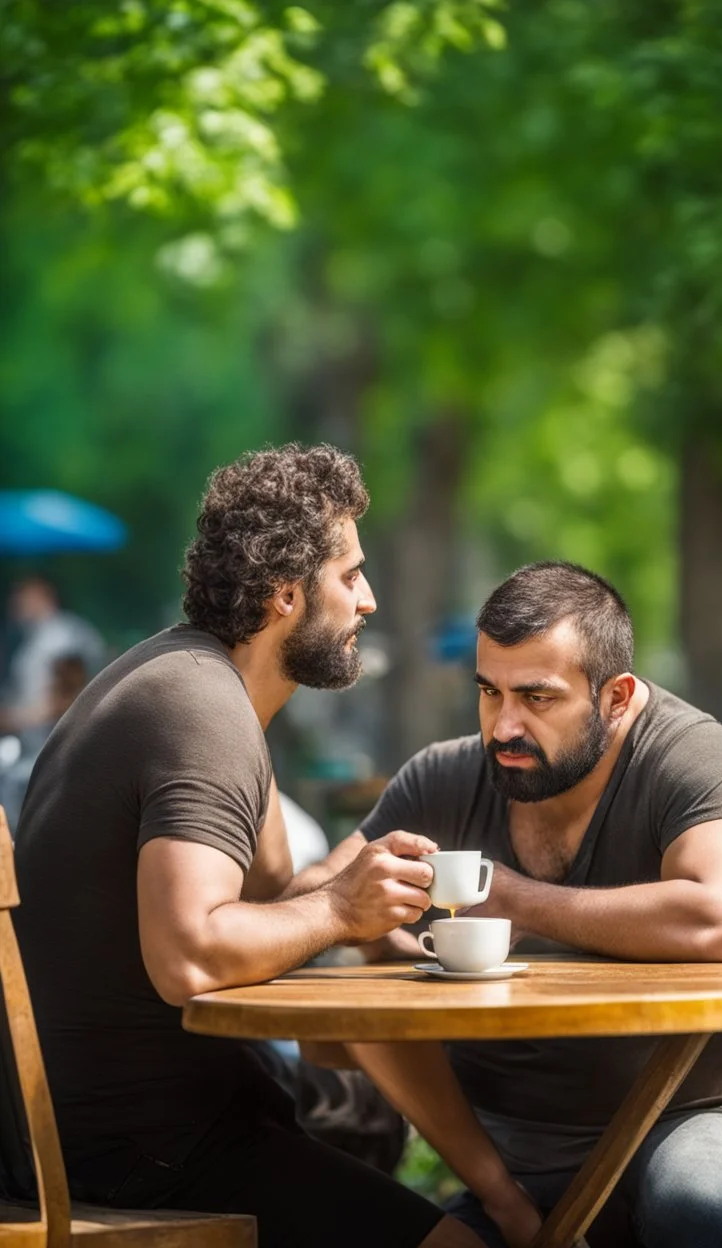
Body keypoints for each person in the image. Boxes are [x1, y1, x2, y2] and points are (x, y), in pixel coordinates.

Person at [10, 445, 539, 1248]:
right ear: (285, 594)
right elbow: (189, 958)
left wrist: (353, 893)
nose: (369, 600)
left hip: (110, 1127)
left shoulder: (186, 678)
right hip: (140, 1152)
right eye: (350, 575)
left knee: (359, 1117)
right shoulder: (200, 714)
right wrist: (336, 908)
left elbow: (252, 917)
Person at [351, 560, 722, 1248]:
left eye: (537, 697)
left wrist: (517, 901)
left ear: (617, 697)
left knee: (700, 1205)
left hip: (697, 1120)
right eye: (489, 692)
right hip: (517, 1163)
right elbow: (324, 891)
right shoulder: (446, 776)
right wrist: (354, 910)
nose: (503, 726)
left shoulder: (695, 757)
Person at [0, 576, 104, 733]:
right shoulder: (32, 635)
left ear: (43, 596)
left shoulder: (63, 635)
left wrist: (16, 718)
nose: (15, 604)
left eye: (23, 597)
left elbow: (69, 699)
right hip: (33, 743)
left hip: (59, 742)